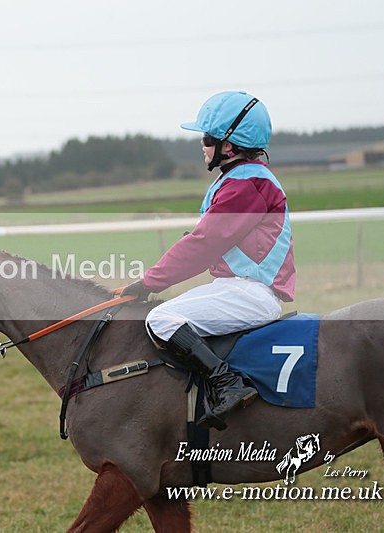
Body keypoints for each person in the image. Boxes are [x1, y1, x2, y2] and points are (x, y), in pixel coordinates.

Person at [121, 91, 295, 431]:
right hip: (237, 287)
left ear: (228, 145)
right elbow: (207, 239)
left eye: (206, 138)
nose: (201, 145)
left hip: (250, 293)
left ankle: (228, 383)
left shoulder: (247, 184)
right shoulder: (240, 179)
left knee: (162, 319)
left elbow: (203, 245)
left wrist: (148, 283)